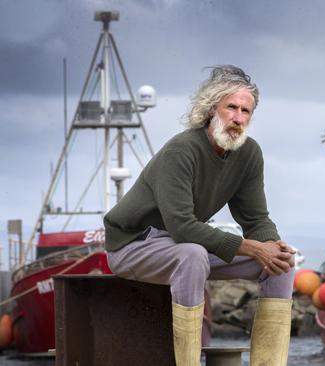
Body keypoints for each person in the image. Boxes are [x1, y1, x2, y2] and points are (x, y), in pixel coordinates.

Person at [103, 65, 295, 366]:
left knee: (282, 263)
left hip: (184, 246)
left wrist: (272, 245)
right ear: (211, 109)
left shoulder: (248, 154)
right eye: (231, 107)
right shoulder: (182, 150)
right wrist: (253, 248)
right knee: (192, 254)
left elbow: (256, 219)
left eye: (246, 111)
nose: (238, 118)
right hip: (133, 245)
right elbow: (182, 226)